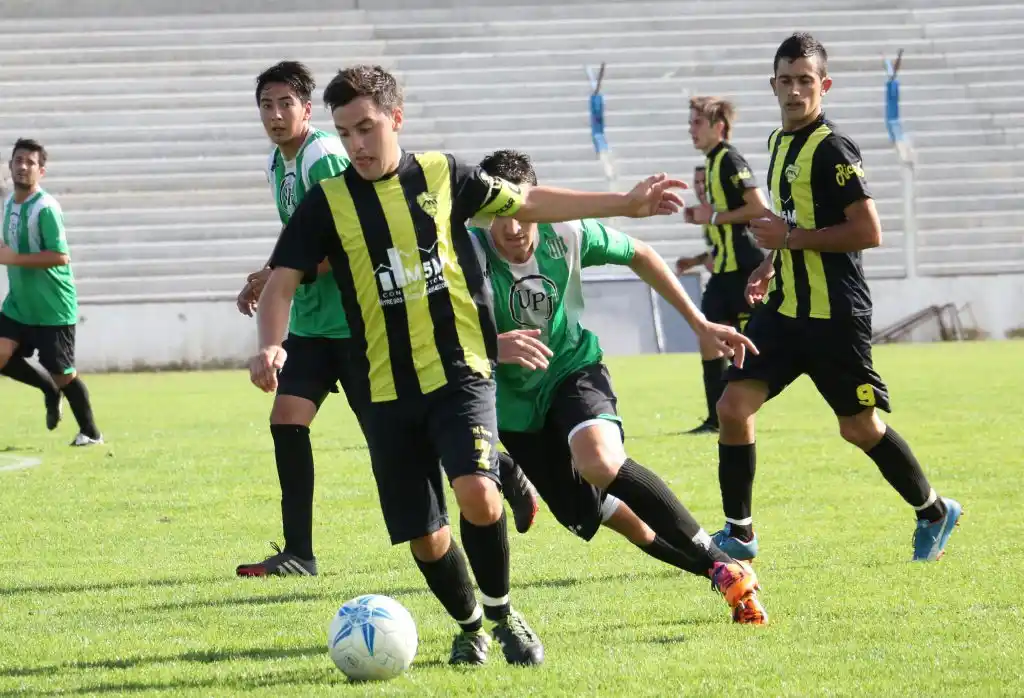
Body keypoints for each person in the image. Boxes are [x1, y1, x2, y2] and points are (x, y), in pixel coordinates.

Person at [248, 64, 689, 667]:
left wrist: (626, 203)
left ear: (395, 119)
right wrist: (272, 344)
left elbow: (528, 199)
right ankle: (470, 623)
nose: (355, 145)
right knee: (428, 538)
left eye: (366, 129)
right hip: (383, 387)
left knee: (480, 495)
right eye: (345, 133)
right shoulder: (328, 202)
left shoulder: (443, 175)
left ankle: (506, 616)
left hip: (460, 374)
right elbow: (281, 284)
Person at [235, 63, 539, 579]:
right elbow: (304, 241)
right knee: (286, 418)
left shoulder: (326, 158)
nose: (275, 115)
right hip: (314, 325)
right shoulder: (277, 163)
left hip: (362, 326)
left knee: (407, 437)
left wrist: (281, 276)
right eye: (266, 105)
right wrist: (274, 278)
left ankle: (501, 470)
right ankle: (300, 552)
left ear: (307, 110)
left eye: (286, 104)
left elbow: (358, 236)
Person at [473, 149, 767, 625]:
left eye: (522, 213)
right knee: (601, 516)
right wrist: (492, 344)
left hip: (572, 369)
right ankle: (718, 568)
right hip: (515, 408)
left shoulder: (566, 233)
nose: (511, 229)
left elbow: (641, 253)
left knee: (601, 462)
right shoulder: (464, 248)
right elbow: (434, 324)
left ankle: (722, 568)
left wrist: (699, 324)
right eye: (499, 216)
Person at [712, 33, 961, 563]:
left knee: (859, 427)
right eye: (786, 81)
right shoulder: (778, 143)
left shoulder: (833, 149)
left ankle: (934, 511)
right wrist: (768, 263)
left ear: (824, 86)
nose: (796, 91)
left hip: (834, 316)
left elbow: (869, 231)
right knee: (733, 406)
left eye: (806, 81)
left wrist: (789, 240)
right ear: (773, 85)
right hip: (784, 311)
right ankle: (740, 532)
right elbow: (793, 223)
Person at [0, 139, 103, 446]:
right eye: (18, 160)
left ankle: (91, 432)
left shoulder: (46, 208)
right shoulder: (8, 205)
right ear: (10, 165)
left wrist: (14, 259)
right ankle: (48, 389)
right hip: (19, 304)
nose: (22, 166)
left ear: (41, 171)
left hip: (52, 308)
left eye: (30, 162)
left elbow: (60, 256)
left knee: (64, 374)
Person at [676, 98, 769, 434]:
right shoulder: (712, 162)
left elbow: (758, 207)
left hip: (746, 270)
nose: (691, 130)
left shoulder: (729, 159)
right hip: (724, 273)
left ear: (719, 127)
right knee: (709, 335)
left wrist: (713, 215)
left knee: (760, 345)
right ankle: (716, 418)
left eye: (697, 123)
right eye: (691, 123)